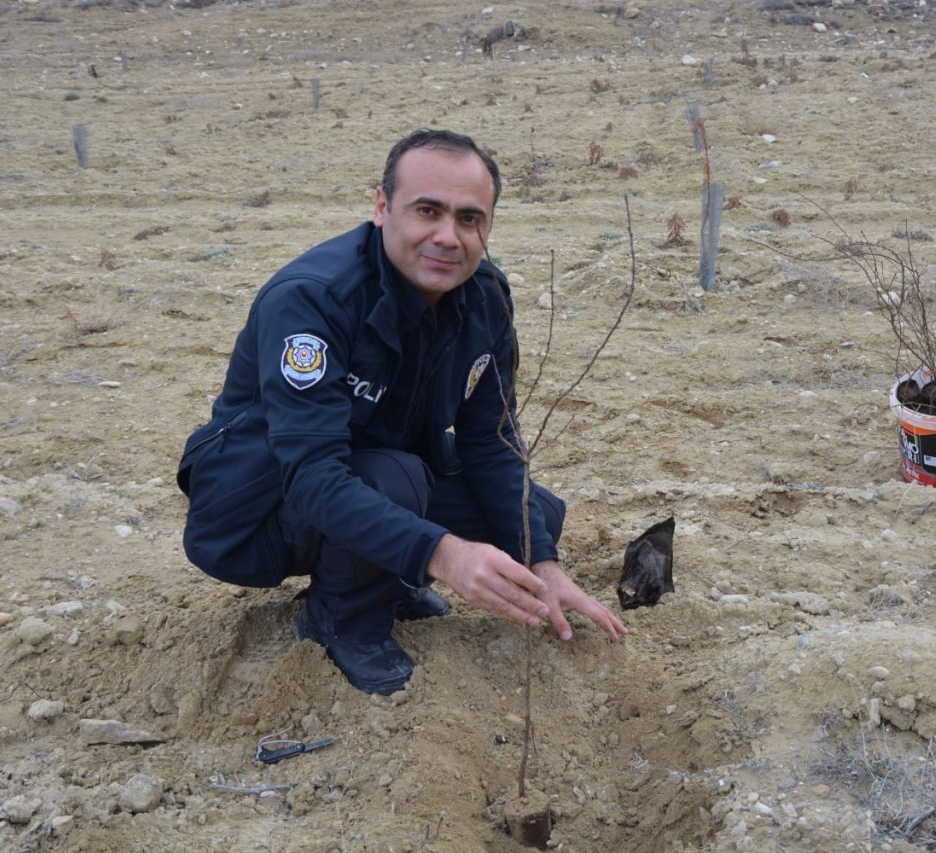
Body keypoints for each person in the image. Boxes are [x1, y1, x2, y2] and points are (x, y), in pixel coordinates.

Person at [176, 129, 628, 695]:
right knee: (398, 480)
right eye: (427, 211)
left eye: (469, 219)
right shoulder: (313, 299)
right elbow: (312, 475)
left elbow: (490, 442)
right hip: (256, 510)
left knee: (534, 515)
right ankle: (339, 621)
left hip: (377, 474)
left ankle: (389, 576)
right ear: (382, 207)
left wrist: (541, 563)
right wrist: (443, 554)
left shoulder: (485, 298)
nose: (448, 237)